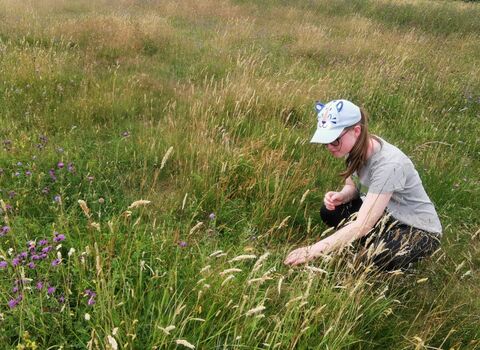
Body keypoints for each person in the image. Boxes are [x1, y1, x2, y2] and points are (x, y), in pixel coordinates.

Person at [284, 99, 442, 271]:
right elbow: (352, 187)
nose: (329, 146)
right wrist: (343, 195)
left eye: (334, 140)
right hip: (386, 213)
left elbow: (363, 224)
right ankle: (367, 241)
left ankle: (376, 248)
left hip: (417, 227)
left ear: (356, 131)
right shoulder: (353, 148)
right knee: (329, 211)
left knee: (377, 256)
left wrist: (312, 250)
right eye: (326, 141)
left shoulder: (389, 165)